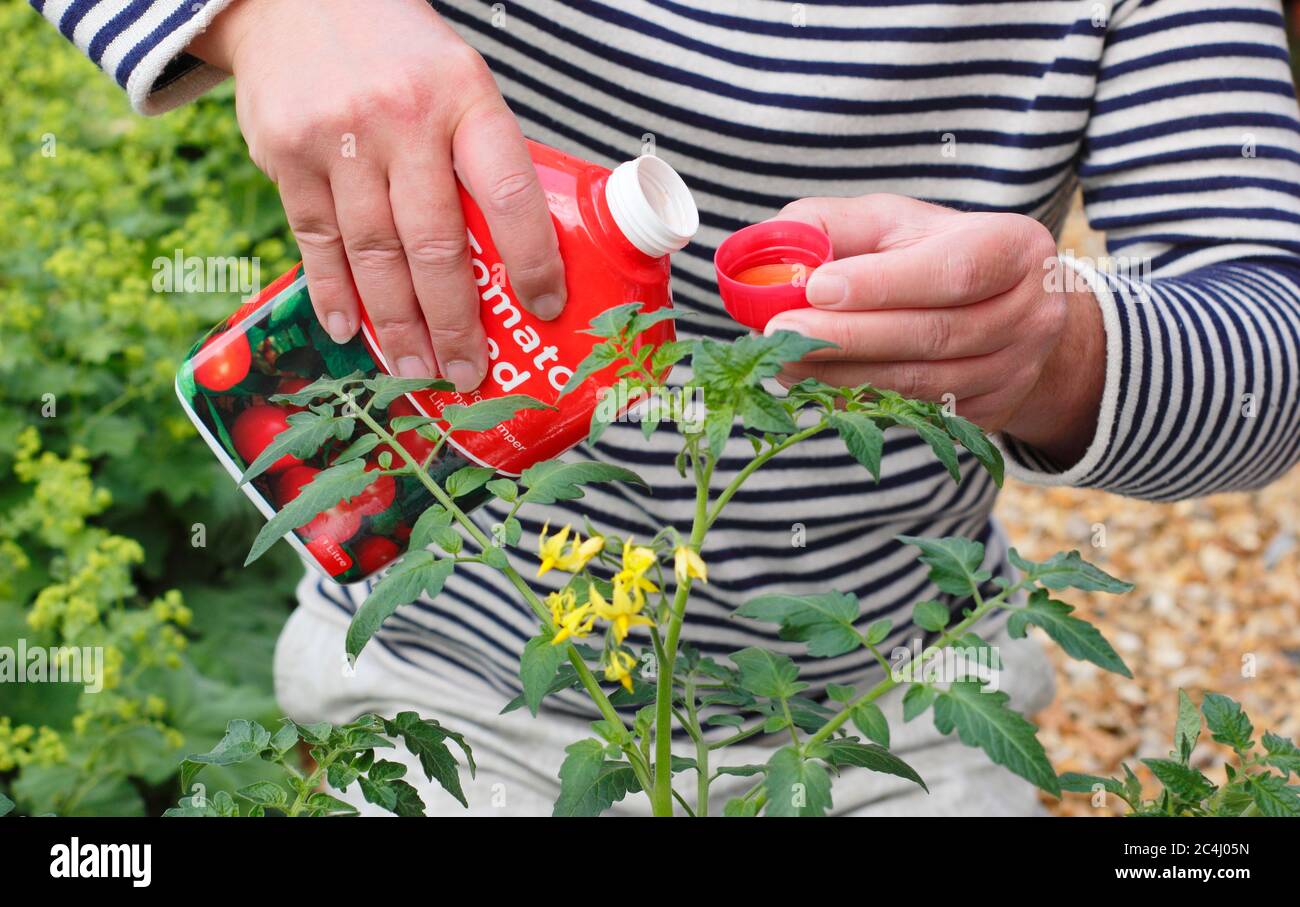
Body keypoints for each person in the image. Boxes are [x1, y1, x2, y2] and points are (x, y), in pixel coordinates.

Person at [32, 0, 1300, 815]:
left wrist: (1051, 344)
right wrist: (271, 17)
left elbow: (1268, 349)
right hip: (451, 707)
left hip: (885, 724)